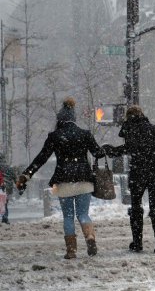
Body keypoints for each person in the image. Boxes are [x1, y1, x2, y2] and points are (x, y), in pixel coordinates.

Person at [16, 98, 104, 258]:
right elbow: (98, 153)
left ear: (60, 119)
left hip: (64, 180)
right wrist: (109, 150)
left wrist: (27, 174)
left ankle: (71, 250)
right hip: (84, 179)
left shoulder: (55, 136)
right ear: (74, 118)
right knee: (83, 214)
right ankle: (90, 238)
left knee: (68, 216)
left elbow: (41, 158)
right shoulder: (85, 134)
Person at [103, 106, 155, 254]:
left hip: (138, 173)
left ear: (129, 117)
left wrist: (111, 150)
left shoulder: (130, 130)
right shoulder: (153, 129)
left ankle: (137, 242)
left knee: (136, 208)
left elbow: (127, 148)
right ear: (142, 114)